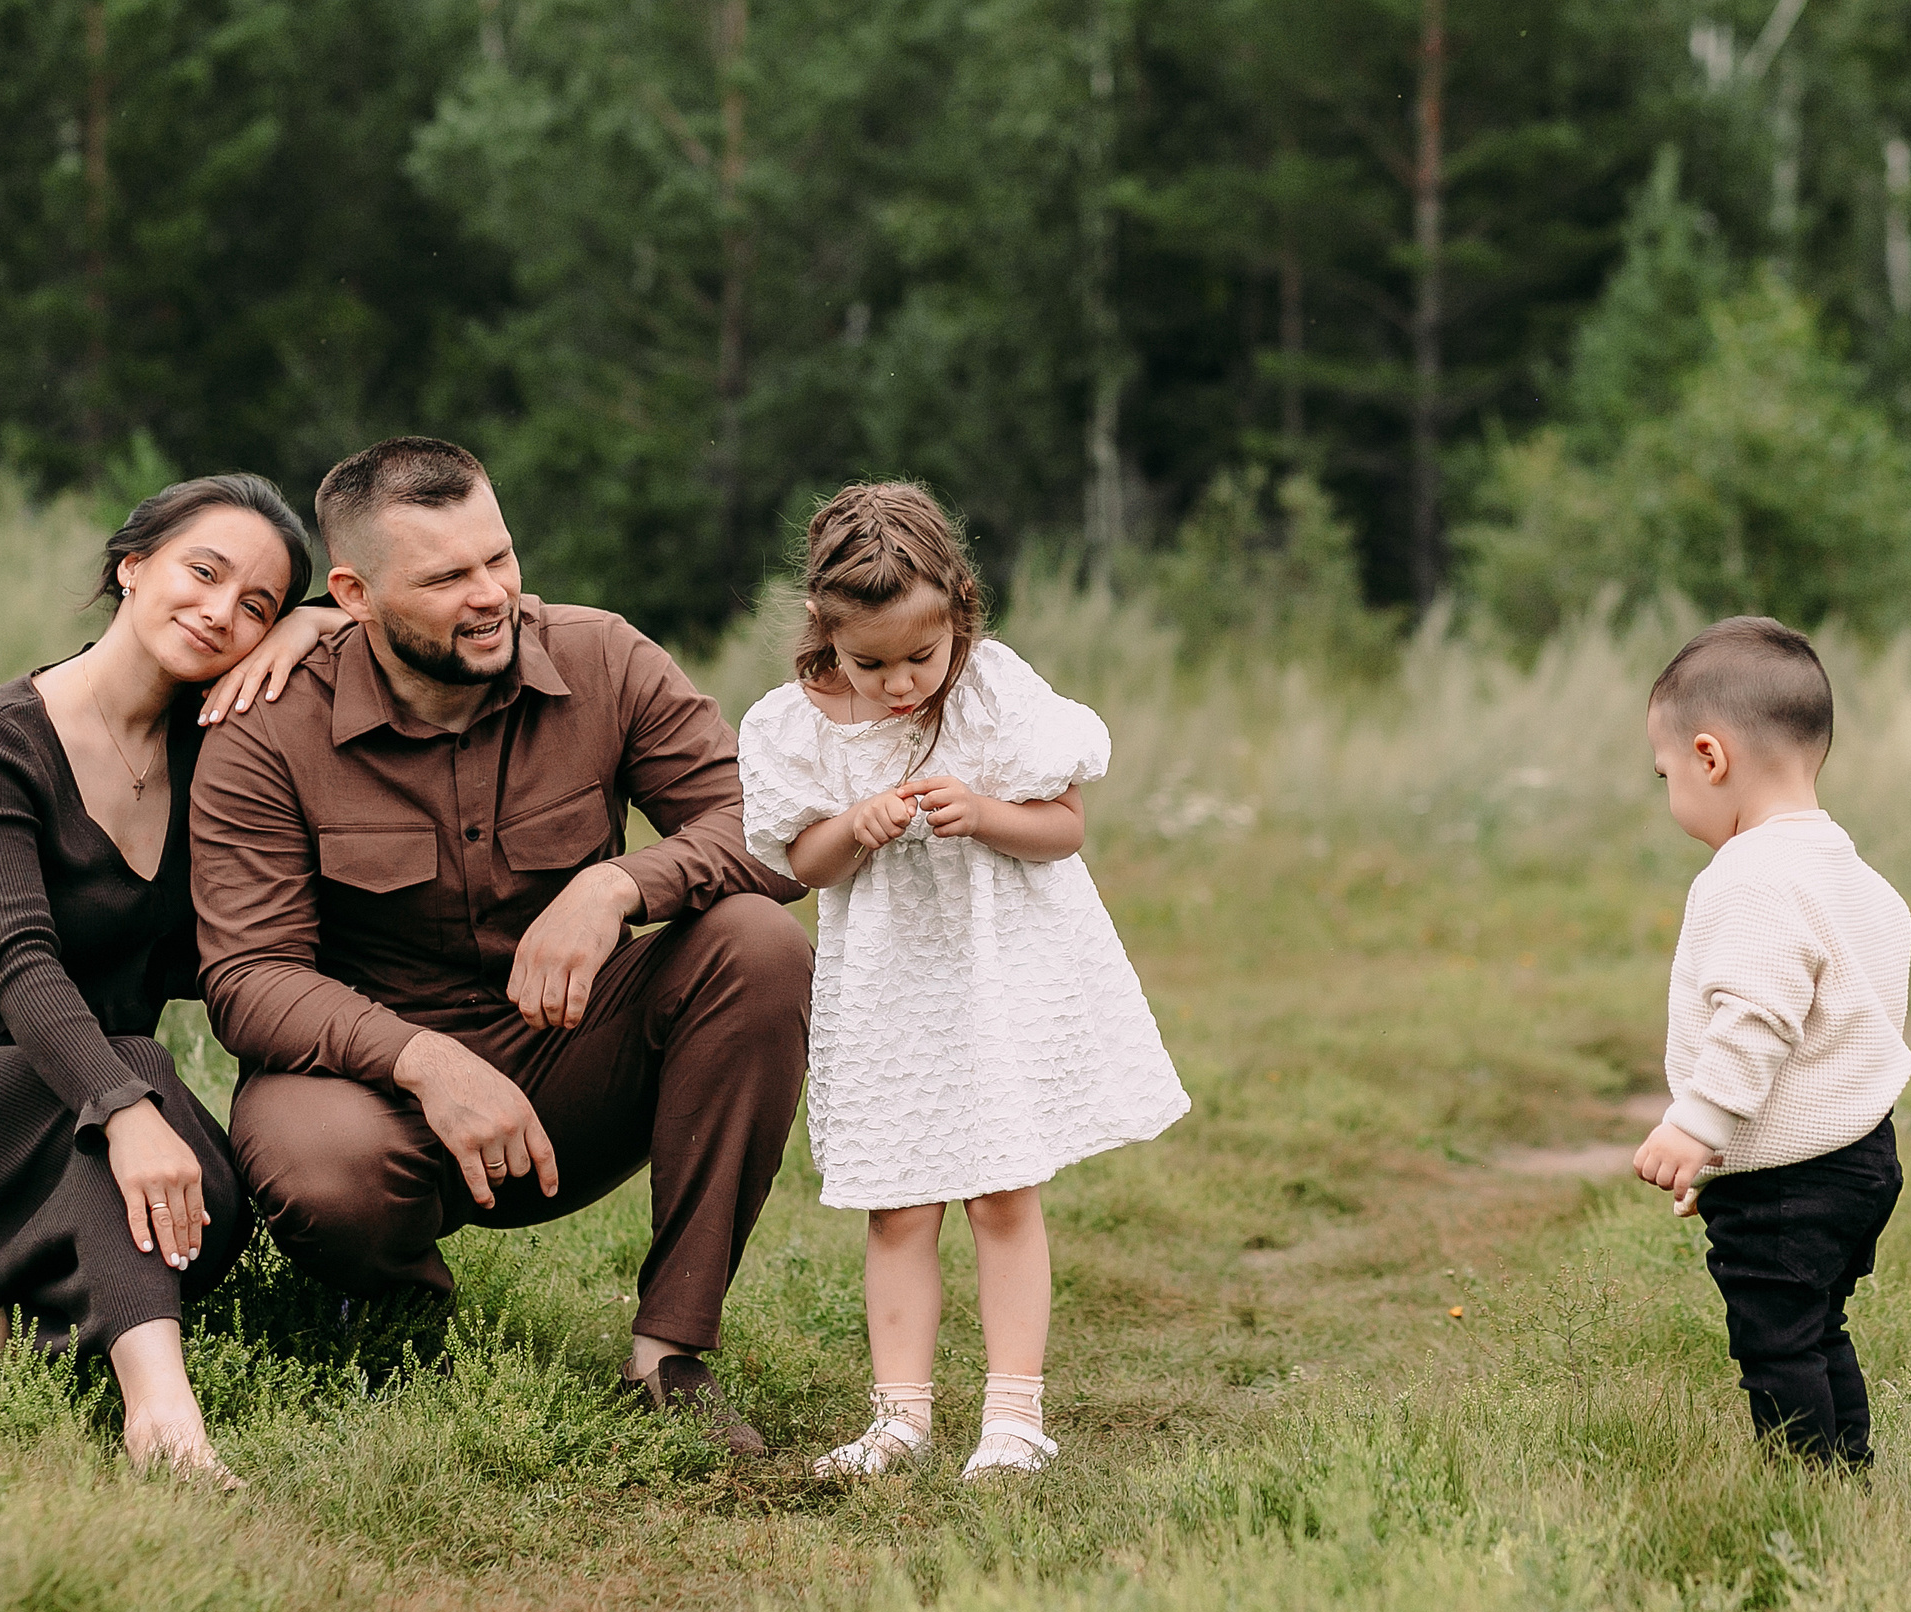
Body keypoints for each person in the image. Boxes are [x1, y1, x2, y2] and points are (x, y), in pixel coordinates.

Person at [190, 436, 811, 1456]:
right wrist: (422, 1059)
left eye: (500, 557)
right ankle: (396, 1314)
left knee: (758, 944)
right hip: (375, 1092)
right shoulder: (265, 732)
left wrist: (617, 883)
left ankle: (668, 1353)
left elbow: (770, 828)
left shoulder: (602, 654)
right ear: (352, 592)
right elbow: (249, 977)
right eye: (445, 577)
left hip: (572, 1061)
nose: (492, 596)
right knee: (318, 1158)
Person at [0, 474, 348, 1483]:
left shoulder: (216, 747)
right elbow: (18, 962)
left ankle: (29, 1300)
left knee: (215, 1201)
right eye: (203, 570)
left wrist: (302, 631)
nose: (221, 611)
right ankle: (162, 1420)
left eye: (256, 605)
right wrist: (124, 1104)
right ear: (130, 564)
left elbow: (387, 618)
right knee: (135, 1105)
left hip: (78, 1090)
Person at [738, 481, 1188, 1480]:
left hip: (995, 975)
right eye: (872, 662)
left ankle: (1013, 1416)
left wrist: (982, 810)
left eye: (919, 657)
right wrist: (851, 828)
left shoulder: (992, 690)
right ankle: (899, 1417)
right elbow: (798, 864)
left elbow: (1063, 825)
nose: (900, 684)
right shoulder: (790, 724)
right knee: (897, 1200)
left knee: (998, 1188)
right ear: (824, 631)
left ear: (958, 611)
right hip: (889, 988)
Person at [1632, 616, 1911, 1473]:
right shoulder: (1858, 880)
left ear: (1711, 759)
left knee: (1775, 1343)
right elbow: (1832, 1045)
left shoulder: (1752, 877)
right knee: (1815, 1327)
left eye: (1666, 773)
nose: (1671, 790)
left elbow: (1758, 1019)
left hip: (1795, 1181)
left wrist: (1698, 1127)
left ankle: (1805, 1488)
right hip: (1860, 1158)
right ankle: (1845, 1473)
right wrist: (1726, 1163)